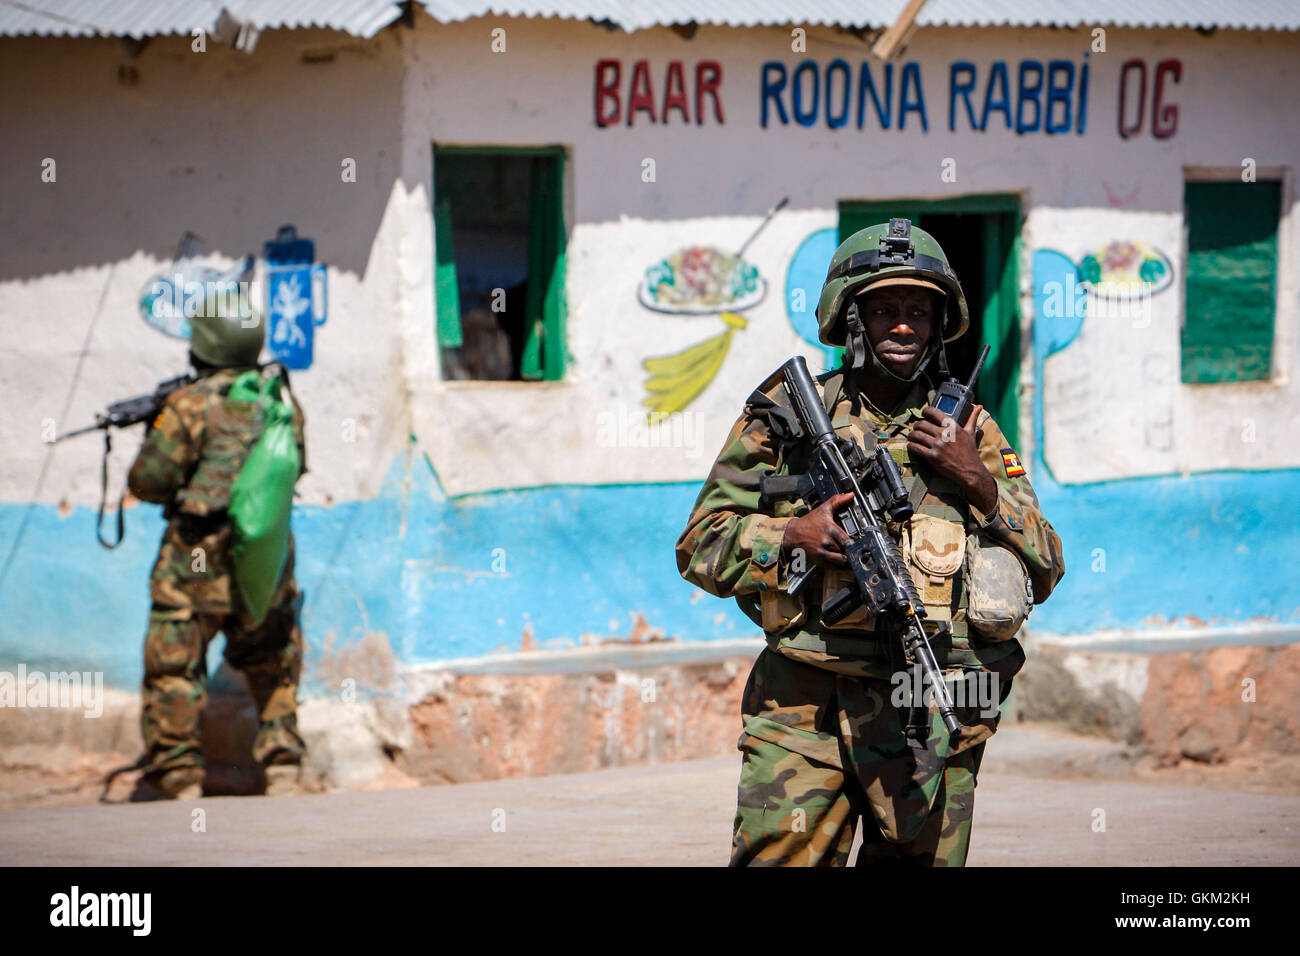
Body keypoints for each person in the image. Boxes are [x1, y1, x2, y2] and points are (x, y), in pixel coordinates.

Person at [675, 219, 1065, 866]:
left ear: (941, 324)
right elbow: (699, 545)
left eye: (920, 310)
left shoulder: (969, 427)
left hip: (930, 711)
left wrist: (978, 482)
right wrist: (791, 536)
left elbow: (1046, 566)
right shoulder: (788, 417)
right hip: (804, 706)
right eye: (884, 309)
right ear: (850, 320)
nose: (904, 326)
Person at [126, 303, 308, 800]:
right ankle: (283, 769)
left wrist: (155, 429)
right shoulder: (281, 402)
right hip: (263, 562)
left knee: (174, 665)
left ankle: (181, 776)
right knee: (272, 660)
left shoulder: (189, 406)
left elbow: (149, 482)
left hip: (196, 560)